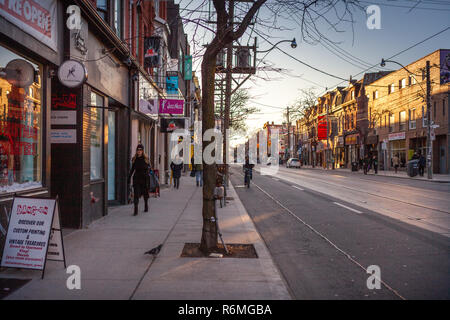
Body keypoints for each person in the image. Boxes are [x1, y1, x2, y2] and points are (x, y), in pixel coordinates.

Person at [128, 144, 151, 216]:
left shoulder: (146, 159)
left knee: (145, 194)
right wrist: (129, 178)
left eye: (140, 150)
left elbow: (149, 169)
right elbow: (132, 170)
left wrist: (148, 181)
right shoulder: (134, 159)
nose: (139, 151)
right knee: (136, 194)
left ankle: (146, 205)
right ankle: (136, 210)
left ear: (143, 151)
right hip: (137, 179)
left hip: (144, 179)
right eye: (138, 150)